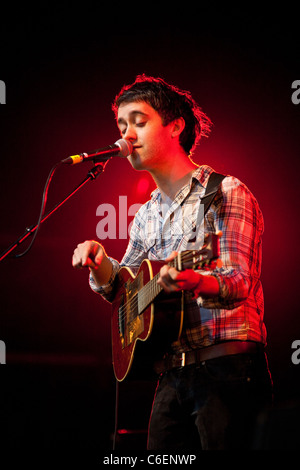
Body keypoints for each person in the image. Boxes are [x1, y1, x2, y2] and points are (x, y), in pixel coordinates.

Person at [72, 74, 273, 450]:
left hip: (226, 370)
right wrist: (99, 264)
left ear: (175, 126)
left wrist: (195, 280)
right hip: (170, 374)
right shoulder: (145, 214)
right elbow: (125, 290)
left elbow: (239, 281)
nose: (126, 135)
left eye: (139, 121)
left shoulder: (224, 192)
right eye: (121, 125)